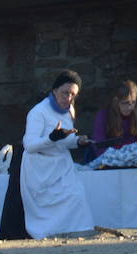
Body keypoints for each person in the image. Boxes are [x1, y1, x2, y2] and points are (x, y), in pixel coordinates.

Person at [21, 69, 93, 239]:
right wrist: (51, 138)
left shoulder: (69, 110)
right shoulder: (38, 112)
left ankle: (79, 236)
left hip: (61, 165)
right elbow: (29, 145)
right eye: (65, 93)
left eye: (73, 94)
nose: (68, 98)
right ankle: (48, 238)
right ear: (54, 91)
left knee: (77, 195)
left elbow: (66, 140)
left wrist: (77, 141)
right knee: (46, 212)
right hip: (40, 169)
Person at [88, 80, 137, 161]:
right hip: (107, 157)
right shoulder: (103, 115)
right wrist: (118, 158)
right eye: (125, 103)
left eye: (133, 102)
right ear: (116, 101)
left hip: (132, 158)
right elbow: (99, 145)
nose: (129, 107)